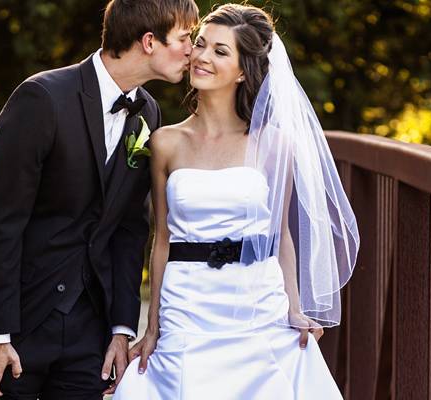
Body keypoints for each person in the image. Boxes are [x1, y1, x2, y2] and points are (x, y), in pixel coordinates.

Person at [0, 1, 199, 398]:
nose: (191, 51)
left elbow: (130, 229)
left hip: (89, 331)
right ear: (149, 41)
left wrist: (121, 328)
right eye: (184, 38)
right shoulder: (42, 97)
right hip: (20, 321)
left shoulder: (148, 112)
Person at [114, 3, 359, 399]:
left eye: (220, 51)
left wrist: (294, 308)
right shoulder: (165, 142)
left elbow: (280, 237)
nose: (202, 57)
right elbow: (161, 241)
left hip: (255, 300)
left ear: (243, 70)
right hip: (187, 304)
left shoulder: (274, 144)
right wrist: (153, 327)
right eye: (200, 44)